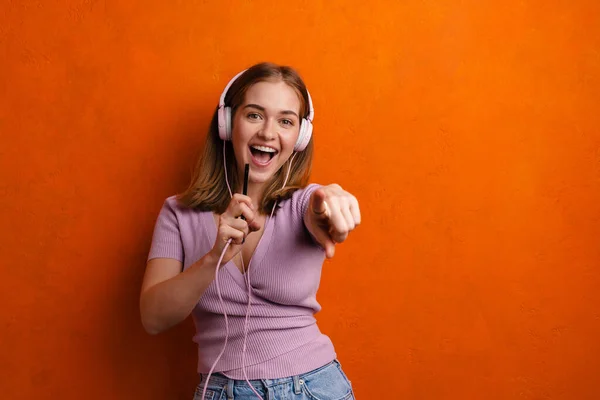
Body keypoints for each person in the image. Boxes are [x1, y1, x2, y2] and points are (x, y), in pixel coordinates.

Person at [140, 62, 361, 400]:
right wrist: (213, 258)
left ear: (299, 138)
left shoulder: (305, 204)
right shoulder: (178, 214)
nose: (268, 133)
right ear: (227, 124)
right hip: (222, 391)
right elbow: (153, 318)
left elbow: (320, 207)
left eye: (285, 121)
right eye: (255, 115)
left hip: (314, 388)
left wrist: (330, 200)